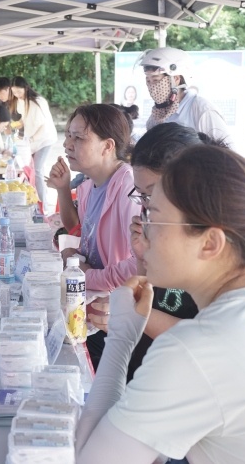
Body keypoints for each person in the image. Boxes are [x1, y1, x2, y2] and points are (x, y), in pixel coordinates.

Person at [75, 146, 245, 463]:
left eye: (153, 218)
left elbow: (89, 459)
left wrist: (121, 338)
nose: (143, 234)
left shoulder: (197, 350)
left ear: (210, 243)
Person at [88, 122, 205, 381]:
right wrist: (142, 257)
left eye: (152, 195)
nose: (145, 206)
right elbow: (150, 290)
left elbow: (206, 340)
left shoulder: (207, 241)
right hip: (145, 361)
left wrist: (132, 315)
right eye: (140, 195)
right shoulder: (156, 221)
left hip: (177, 374)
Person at [47, 104, 140, 369]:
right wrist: (74, 256)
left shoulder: (129, 188)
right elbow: (80, 230)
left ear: (107, 146)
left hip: (112, 318)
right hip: (87, 308)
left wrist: (87, 275)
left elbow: (141, 263)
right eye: (68, 135)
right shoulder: (90, 185)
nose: (67, 144)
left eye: (78, 137)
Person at [137, 47, 233, 146]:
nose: (152, 86)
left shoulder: (202, 109)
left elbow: (227, 151)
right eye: (148, 81)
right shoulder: (157, 115)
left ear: (176, 79)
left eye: (156, 80)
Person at [10, 76, 58, 214]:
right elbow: (24, 121)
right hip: (31, 140)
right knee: (29, 170)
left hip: (45, 139)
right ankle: (34, 200)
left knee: (37, 170)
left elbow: (38, 123)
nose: (17, 95)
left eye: (19, 91)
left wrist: (25, 136)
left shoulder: (37, 101)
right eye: (14, 92)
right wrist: (18, 128)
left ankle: (43, 205)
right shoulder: (20, 101)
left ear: (25, 88)